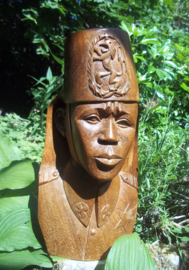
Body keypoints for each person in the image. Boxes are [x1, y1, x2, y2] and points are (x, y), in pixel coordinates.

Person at [38, 28, 139, 260]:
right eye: (92, 118)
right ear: (63, 122)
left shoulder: (128, 189)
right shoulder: (48, 191)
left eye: (124, 121)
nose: (110, 136)